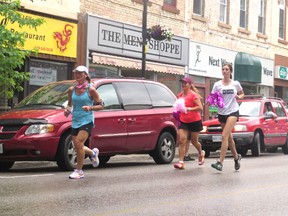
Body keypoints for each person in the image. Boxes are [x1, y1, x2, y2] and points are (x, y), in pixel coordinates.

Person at [64, 65, 104, 179]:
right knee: (78, 146)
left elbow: (102, 105)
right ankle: (93, 153)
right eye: (76, 73)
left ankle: (79, 171)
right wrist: (67, 110)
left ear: (85, 75)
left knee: (78, 143)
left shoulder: (91, 90)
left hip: (87, 120)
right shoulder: (72, 90)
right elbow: (70, 104)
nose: (77, 75)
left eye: (79, 73)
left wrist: (90, 108)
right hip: (75, 120)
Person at [211, 63, 244, 171]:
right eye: (223, 69)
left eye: (226, 69)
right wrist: (213, 102)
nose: (224, 71)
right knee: (229, 138)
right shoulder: (217, 85)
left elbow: (242, 93)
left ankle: (220, 163)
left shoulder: (235, 83)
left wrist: (239, 96)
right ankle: (236, 157)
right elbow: (213, 98)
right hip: (222, 113)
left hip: (233, 111)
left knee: (224, 136)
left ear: (230, 71)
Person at [174, 77, 205, 169]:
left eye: (185, 83)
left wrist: (189, 109)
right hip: (183, 121)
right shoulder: (179, 96)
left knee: (194, 141)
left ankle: (200, 152)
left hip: (194, 121)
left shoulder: (193, 95)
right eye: (182, 83)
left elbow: (200, 107)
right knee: (182, 140)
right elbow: (177, 107)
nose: (183, 84)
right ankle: (181, 162)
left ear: (190, 85)